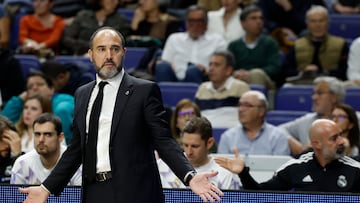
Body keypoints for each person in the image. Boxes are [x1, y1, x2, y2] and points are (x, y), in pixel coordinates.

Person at [18, 26, 223, 203]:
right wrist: (46, 188)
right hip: (94, 192)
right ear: (91, 55)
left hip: (135, 193)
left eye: (114, 49)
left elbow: (164, 141)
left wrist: (189, 176)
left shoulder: (144, 91)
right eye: (102, 49)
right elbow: (75, 151)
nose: (108, 55)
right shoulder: (82, 94)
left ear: (123, 53)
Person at [215, 119, 360, 192]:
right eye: (334, 138)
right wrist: (243, 173)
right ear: (317, 144)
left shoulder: (355, 170)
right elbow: (261, 195)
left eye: (340, 136)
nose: (342, 141)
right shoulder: (295, 167)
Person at [159, 117, 242, 189]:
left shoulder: (224, 174)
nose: (189, 152)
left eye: (195, 146)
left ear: (209, 143)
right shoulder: (164, 165)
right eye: (185, 145)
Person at [155, 5, 227, 84]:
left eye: (199, 21)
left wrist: (207, 70)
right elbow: (166, 61)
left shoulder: (217, 40)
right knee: (162, 67)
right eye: (191, 21)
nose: (195, 25)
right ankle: (164, 95)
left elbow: (221, 67)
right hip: (175, 78)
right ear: (186, 23)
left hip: (203, 78)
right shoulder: (174, 38)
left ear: (206, 23)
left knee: (193, 70)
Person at [1, 71, 74, 145]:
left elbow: (63, 110)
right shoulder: (22, 109)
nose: (35, 88)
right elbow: (4, 121)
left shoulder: (62, 101)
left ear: (51, 88)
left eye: (40, 84)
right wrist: (19, 99)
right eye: (30, 87)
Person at [11, 113, 82, 185]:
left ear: (60, 137)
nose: (41, 140)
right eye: (37, 134)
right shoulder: (22, 164)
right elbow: (14, 196)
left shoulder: (75, 163)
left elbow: (80, 195)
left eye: (48, 134)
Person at [284, 5, 348, 84]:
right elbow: (286, 71)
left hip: (332, 84)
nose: (317, 25)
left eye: (321, 21)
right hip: (302, 82)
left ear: (328, 23)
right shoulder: (296, 45)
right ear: (307, 24)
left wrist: (322, 73)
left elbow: (345, 72)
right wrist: (303, 72)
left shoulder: (341, 44)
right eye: (313, 21)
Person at [279, 76, 345, 149]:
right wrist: (294, 143)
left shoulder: (355, 119)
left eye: (319, 93)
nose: (314, 97)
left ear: (334, 97)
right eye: (314, 93)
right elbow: (279, 130)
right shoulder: (306, 120)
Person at [217, 90, 291, 155]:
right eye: (239, 105)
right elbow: (222, 169)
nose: (240, 109)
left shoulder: (278, 137)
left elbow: (281, 168)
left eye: (247, 105)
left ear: (261, 111)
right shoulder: (227, 136)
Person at [228, 5, 281, 90]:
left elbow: (274, 68)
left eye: (261, 18)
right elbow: (229, 68)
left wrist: (250, 74)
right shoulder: (234, 45)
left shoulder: (270, 43)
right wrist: (237, 73)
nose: (259, 22)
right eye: (253, 18)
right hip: (239, 80)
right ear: (243, 23)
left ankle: (255, 102)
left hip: (266, 83)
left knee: (256, 74)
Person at [61, 0, 130, 55]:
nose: (115, 2)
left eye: (117, 0)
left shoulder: (120, 20)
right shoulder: (83, 16)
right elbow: (67, 38)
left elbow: (121, 42)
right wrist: (86, 46)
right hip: (81, 55)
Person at [0, 115, 21, 183]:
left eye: (10, 138)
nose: (7, 144)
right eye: (2, 138)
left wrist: (17, 156)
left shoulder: (23, 159)